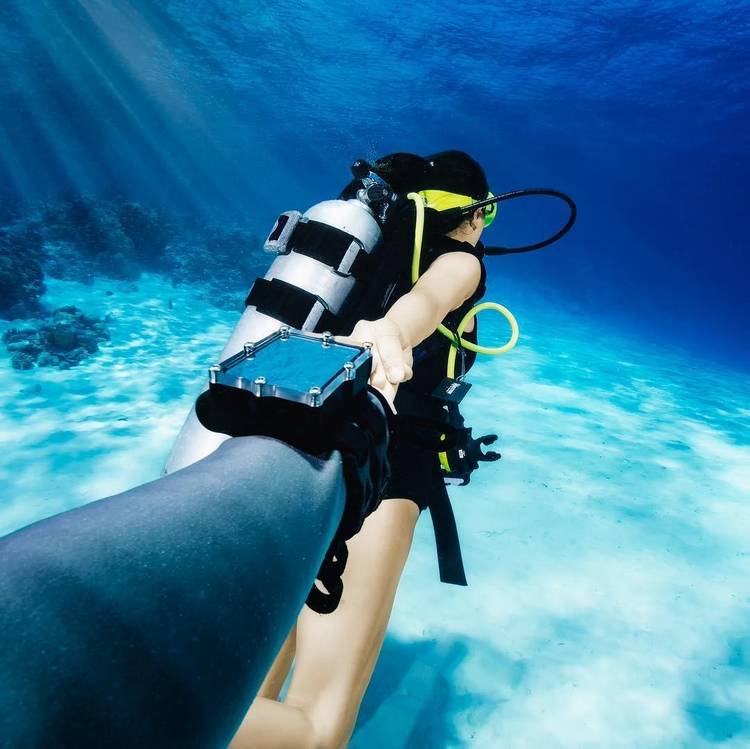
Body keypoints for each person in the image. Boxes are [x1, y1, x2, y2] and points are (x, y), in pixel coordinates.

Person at [231, 150, 494, 749]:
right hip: (387, 467)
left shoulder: (363, 257)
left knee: (248, 675)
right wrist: (390, 334)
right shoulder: (461, 260)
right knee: (317, 726)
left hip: (298, 448)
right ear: (477, 213)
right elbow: (430, 301)